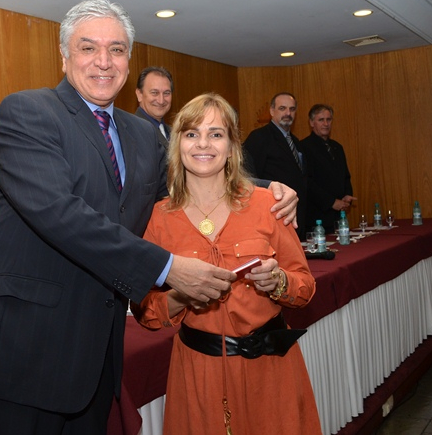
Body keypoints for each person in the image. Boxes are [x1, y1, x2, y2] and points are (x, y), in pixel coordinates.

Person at [0, 0, 299, 435]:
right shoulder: (27, 112)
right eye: (88, 48)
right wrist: (168, 267)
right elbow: (60, 214)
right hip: (22, 351)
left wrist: (267, 190)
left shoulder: (140, 134)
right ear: (63, 55)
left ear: (128, 60)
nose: (104, 61)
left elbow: (184, 190)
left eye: (116, 49)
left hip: (96, 355)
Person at [132, 93, 321, 435]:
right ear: (177, 145)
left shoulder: (269, 204)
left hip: (270, 371)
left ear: (232, 147)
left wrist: (278, 282)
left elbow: (305, 287)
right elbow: (145, 310)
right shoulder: (159, 218)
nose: (203, 144)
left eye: (216, 134)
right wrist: (182, 295)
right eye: (192, 134)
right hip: (198, 376)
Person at [243, 92, 308, 235]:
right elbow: (249, 177)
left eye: (292, 109)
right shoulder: (259, 137)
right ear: (272, 111)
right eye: (282, 108)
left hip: (295, 213)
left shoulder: (296, 142)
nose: (288, 113)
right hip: (273, 213)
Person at [300, 104, 356, 233]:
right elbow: (307, 182)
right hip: (317, 218)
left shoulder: (337, 147)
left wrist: (347, 195)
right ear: (311, 123)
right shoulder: (304, 147)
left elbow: (345, 176)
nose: (326, 124)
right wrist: (331, 202)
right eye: (321, 120)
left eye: (328, 119)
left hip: (339, 216)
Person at [135, 66, 173, 148]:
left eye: (166, 93)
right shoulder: (133, 131)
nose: (161, 101)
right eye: (154, 93)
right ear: (139, 94)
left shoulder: (174, 132)